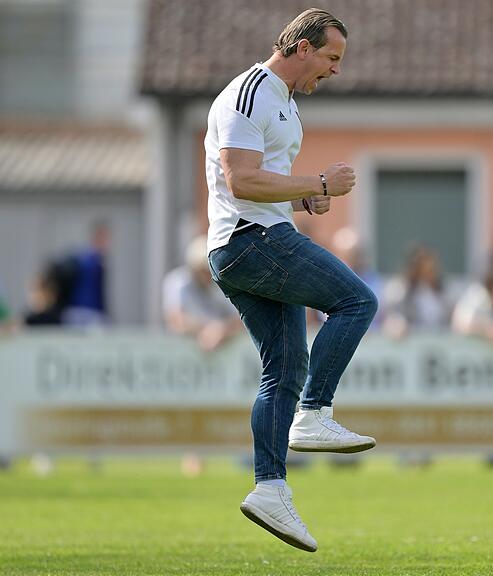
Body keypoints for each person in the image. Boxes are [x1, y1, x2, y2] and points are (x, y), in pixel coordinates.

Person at [204, 9, 377, 553]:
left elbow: (262, 182)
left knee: (283, 368)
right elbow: (241, 179)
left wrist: (303, 195)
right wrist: (320, 180)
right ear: (302, 48)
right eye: (331, 58)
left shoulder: (285, 104)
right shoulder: (251, 91)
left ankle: (269, 488)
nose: (334, 71)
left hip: (249, 240)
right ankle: (315, 413)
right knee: (357, 300)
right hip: (249, 241)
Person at [162, 235, 242, 351]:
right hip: (182, 353)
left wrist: (222, 330)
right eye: (202, 269)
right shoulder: (177, 281)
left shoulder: (222, 283)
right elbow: (175, 320)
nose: (206, 274)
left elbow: (240, 318)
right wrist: (207, 330)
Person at [382, 245, 451, 338]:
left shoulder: (442, 292)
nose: (428, 272)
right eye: (423, 267)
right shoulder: (399, 290)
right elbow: (392, 318)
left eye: (431, 268)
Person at [452, 268, 493, 345]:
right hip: (467, 345)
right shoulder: (476, 297)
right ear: (491, 288)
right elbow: (462, 325)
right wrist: (489, 331)